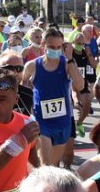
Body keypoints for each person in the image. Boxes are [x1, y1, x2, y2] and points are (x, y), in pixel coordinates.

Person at [22, 27, 85, 166]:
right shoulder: (32, 66)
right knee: (45, 164)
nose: (55, 50)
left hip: (63, 121)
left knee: (53, 165)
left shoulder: (67, 64)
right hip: (41, 121)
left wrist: (70, 59)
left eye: (58, 47)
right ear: (43, 45)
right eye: (51, 46)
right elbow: (22, 88)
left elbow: (80, 85)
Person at [69, 32, 98, 138]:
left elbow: (94, 65)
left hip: (83, 81)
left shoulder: (86, 53)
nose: (80, 45)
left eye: (82, 44)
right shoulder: (70, 53)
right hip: (71, 81)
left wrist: (89, 53)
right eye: (78, 43)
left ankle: (80, 122)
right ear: (73, 42)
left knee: (87, 105)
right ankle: (76, 104)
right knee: (76, 98)